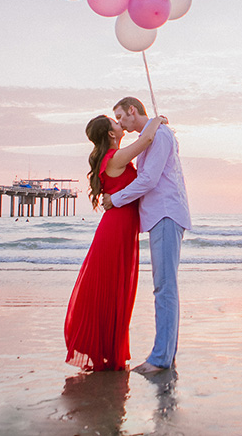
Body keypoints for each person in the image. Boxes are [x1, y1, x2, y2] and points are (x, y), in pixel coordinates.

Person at [64, 112, 166, 371]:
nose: (120, 124)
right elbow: (147, 139)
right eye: (116, 123)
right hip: (117, 228)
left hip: (119, 228)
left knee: (116, 289)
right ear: (111, 134)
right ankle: (107, 352)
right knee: (113, 289)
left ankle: (108, 350)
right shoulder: (115, 157)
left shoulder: (112, 158)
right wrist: (157, 119)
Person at [103, 96, 191, 375]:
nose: (119, 123)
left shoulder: (160, 135)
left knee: (164, 287)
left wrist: (115, 200)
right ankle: (166, 353)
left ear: (132, 110)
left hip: (165, 214)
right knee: (165, 286)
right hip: (160, 216)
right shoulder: (154, 135)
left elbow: (149, 180)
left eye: (120, 116)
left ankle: (161, 357)